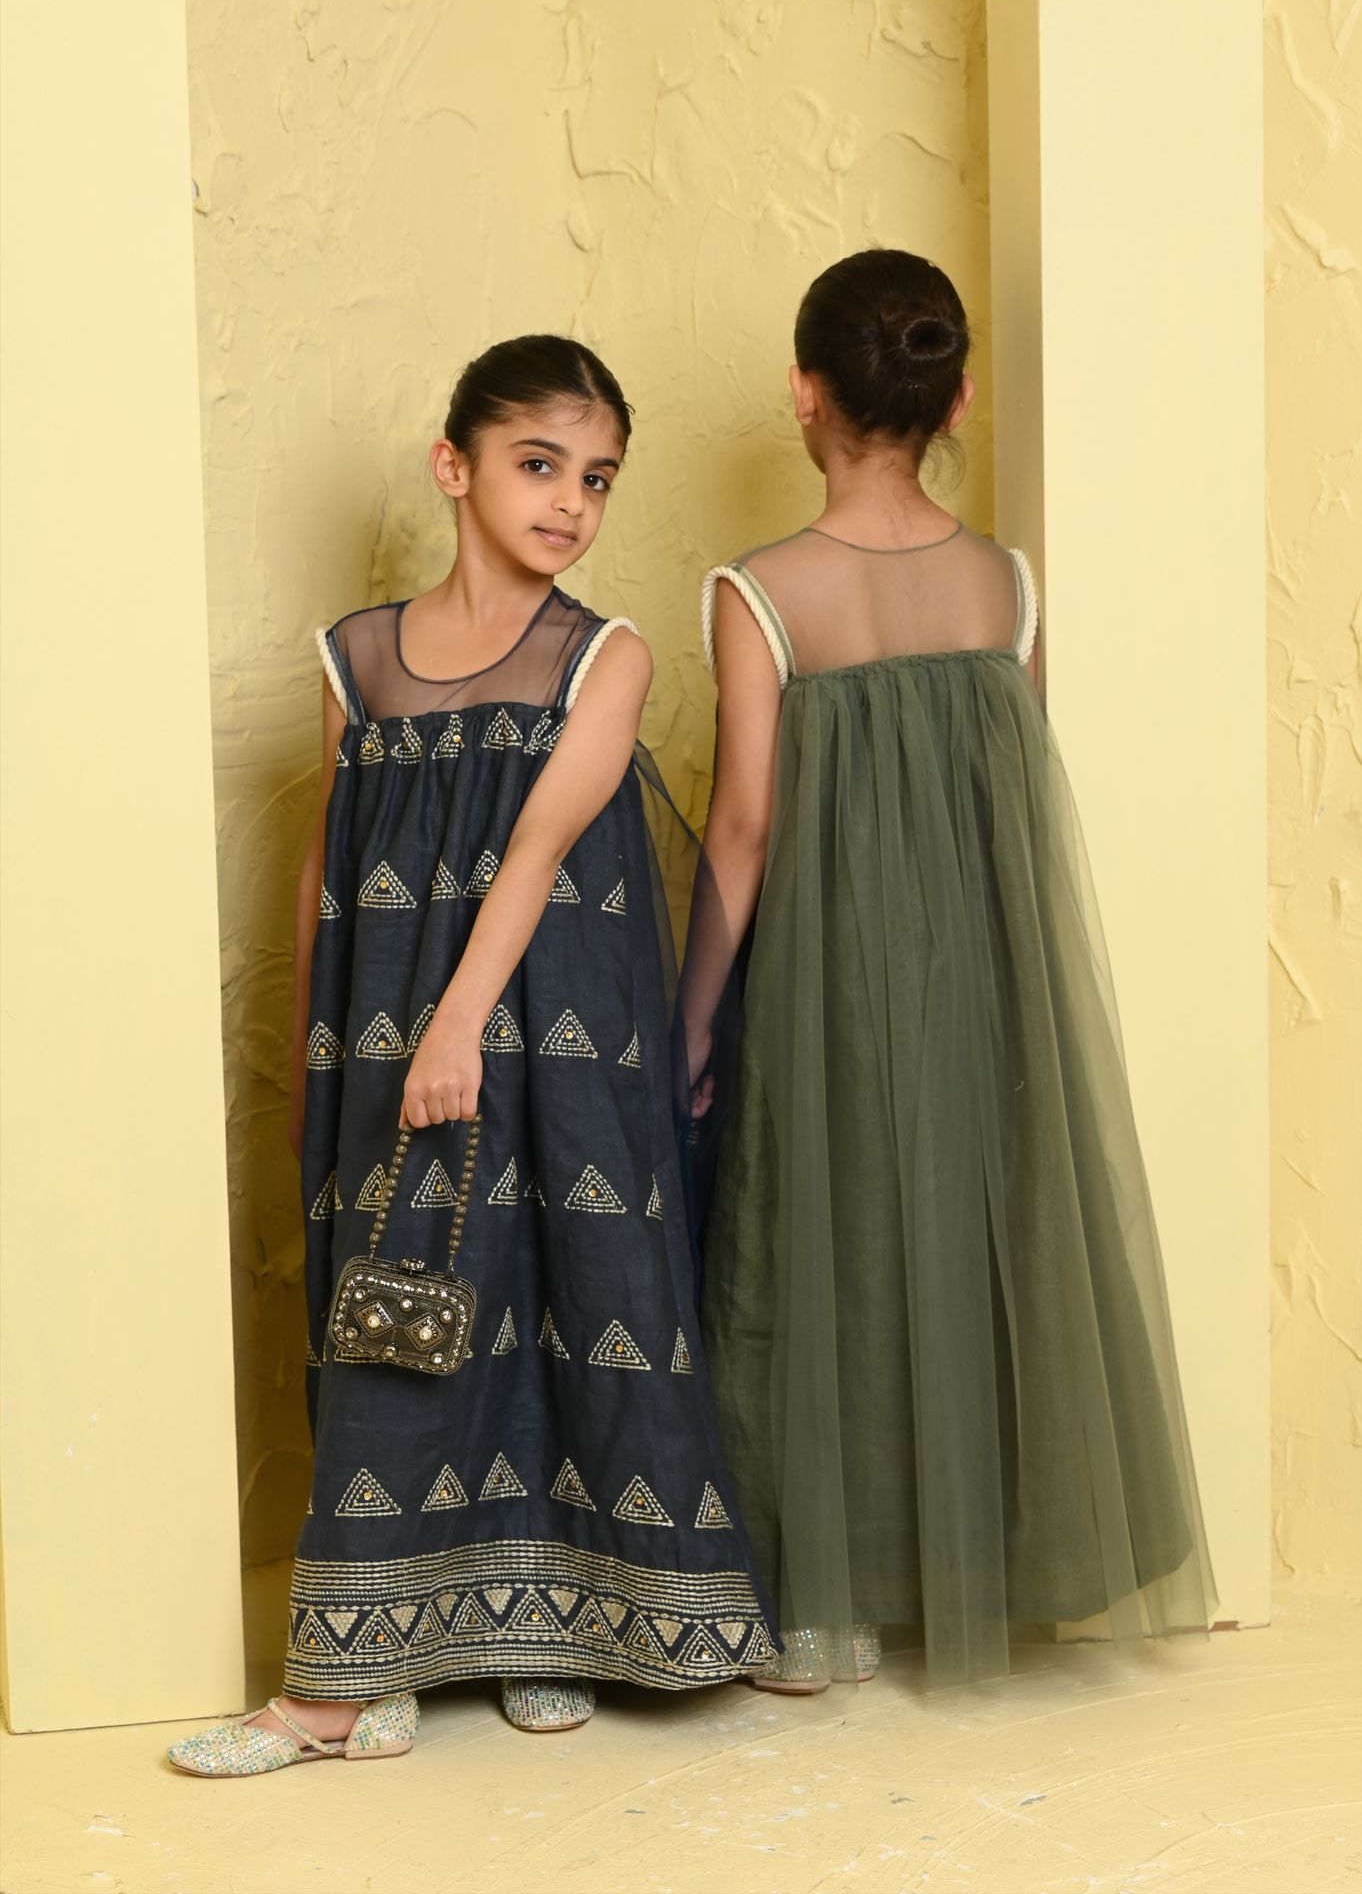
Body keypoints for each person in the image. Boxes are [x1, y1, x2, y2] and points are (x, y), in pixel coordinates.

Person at [169, 334, 776, 1777]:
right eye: (539, 464)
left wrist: (458, 1024)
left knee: (576, 1287)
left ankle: (547, 1630)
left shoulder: (605, 656)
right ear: (455, 467)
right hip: (381, 1026)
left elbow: (542, 848)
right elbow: (332, 855)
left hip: (555, 1023)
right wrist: (323, 1049)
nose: (571, 501)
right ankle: (361, 1675)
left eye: (598, 478)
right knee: (403, 1307)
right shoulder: (357, 658)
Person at [684, 250, 1216, 1693]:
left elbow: (744, 826)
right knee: (981, 1246)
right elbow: (1015, 804)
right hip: (987, 974)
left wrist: (692, 1014)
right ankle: (980, 1564)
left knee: (821, 1245)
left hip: (827, 971)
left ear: (803, 393)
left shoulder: (759, 592)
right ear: (955, 397)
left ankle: (827, 1607)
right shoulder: (1007, 586)